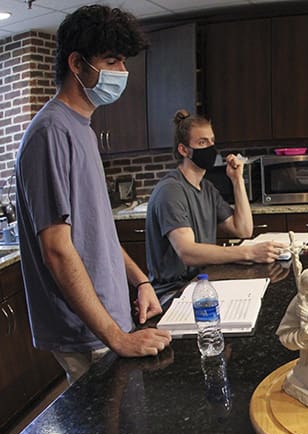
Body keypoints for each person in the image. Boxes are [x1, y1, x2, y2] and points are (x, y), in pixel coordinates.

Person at [14, 5, 171, 383]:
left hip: (110, 321)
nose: (121, 73)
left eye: (123, 62)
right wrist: (117, 338)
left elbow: (95, 232)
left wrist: (140, 281)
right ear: (77, 64)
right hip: (86, 332)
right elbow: (57, 249)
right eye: (112, 61)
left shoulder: (81, 127)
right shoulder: (51, 132)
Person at [145, 110, 286, 297]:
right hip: (174, 292)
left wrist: (237, 181)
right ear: (184, 150)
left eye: (212, 141)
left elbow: (243, 229)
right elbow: (187, 252)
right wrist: (248, 253)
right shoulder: (171, 190)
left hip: (202, 283)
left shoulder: (207, 188)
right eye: (202, 142)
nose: (210, 148)